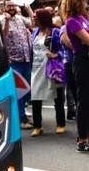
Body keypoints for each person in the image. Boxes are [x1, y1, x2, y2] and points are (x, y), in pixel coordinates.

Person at [60, 0, 89, 153]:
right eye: (84, 0)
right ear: (77, 2)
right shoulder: (72, 21)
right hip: (82, 61)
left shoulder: (82, 19)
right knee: (84, 101)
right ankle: (81, 140)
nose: (86, 3)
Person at [29, 8, 67, 136]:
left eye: (35, 16)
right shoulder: (34, 32)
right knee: (35, 97)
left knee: (57, 97)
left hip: (51, 68)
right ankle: (37, 126)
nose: (33, 18)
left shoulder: (55, 31)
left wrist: (56, 55)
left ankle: (61, 124)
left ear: (42, 18)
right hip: (36, 69)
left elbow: (63, 49)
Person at [1, 0, 34, 127]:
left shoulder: (21, 19)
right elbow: (4, 34)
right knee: (19, 90)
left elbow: (34, 24)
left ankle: (21, 114)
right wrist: (8, 20)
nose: (11, 7)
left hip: (26, 59)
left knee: (27, 89)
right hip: (14, 61)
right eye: (8, 5)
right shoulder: (3, 20)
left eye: (13, 5)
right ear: (5, 8)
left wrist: (29, 9)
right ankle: (21, 119)